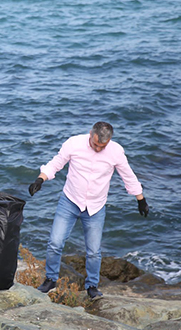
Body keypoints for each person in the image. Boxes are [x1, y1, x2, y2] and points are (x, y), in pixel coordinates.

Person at [28, 121, 149, 298]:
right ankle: (50, 279)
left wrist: (140, 198)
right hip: (70, 201)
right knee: (55, 243)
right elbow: (56, 163)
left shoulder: (116, 151)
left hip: (95, 207)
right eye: (95, 144)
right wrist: (40, 179)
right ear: (90, 135)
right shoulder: (74, 143)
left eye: (103, 146)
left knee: (93, 251)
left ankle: (92, 286)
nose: (99, 149)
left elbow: (128, 175)